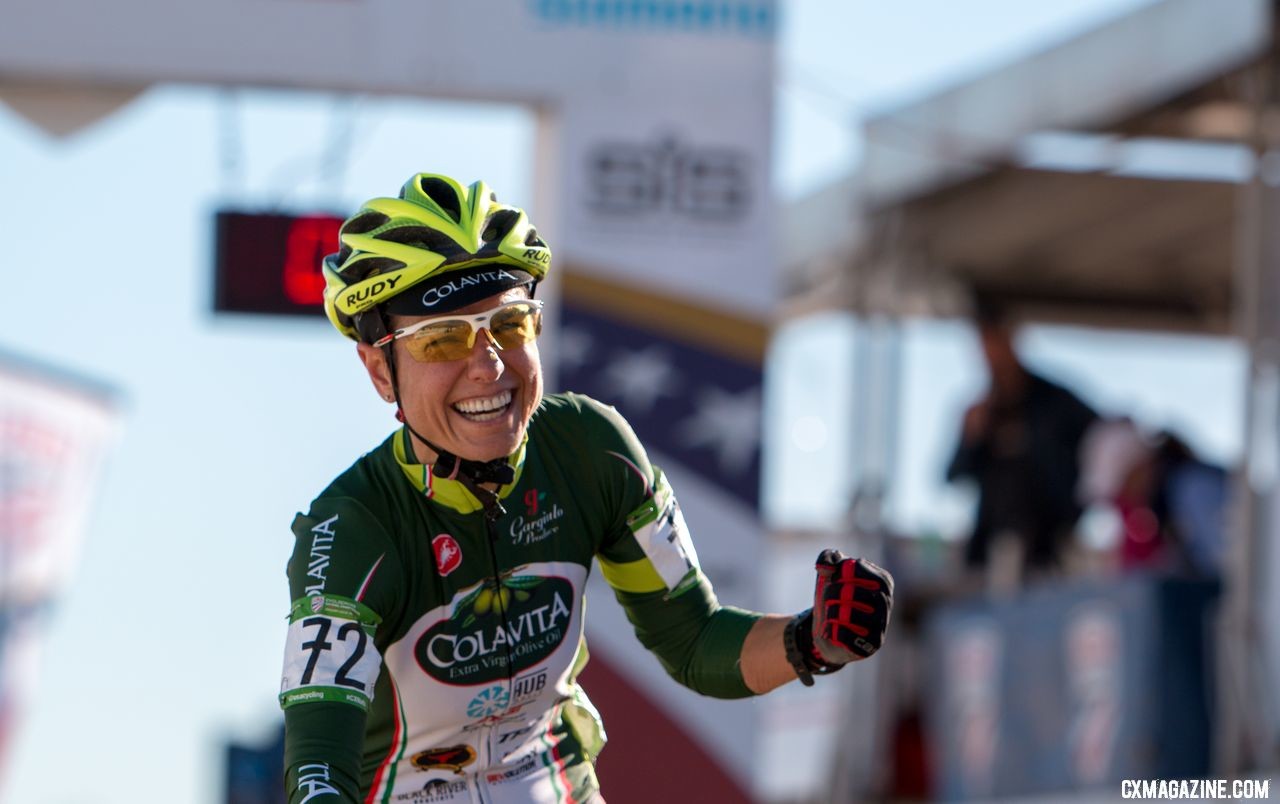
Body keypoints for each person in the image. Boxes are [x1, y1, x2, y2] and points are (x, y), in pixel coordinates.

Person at [278, 172, 894, 803]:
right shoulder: (352, 525)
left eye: (511, 324)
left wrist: (812, 640)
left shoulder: (588, 450)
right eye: (443, 338)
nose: (488, 365)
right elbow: (319, 763)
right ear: (381, 369)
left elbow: (693, 639)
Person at [945, 301, 1097, 584]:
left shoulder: (1056, 402)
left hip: (1050, 545)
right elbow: (952, 475)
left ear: (1013, 341)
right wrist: (971, 439)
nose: (991, 356)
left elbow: (1100, 445)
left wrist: (1073, 508)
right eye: (984, 347)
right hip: (992, 545)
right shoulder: (982, 411)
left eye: (997, 343)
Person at [1078, 418, 1229, 577]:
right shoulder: (1166, 509)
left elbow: (1234, 568)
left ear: (1138, 469)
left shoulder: (1195, 490)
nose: (1123, 500)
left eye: (1122, 489)